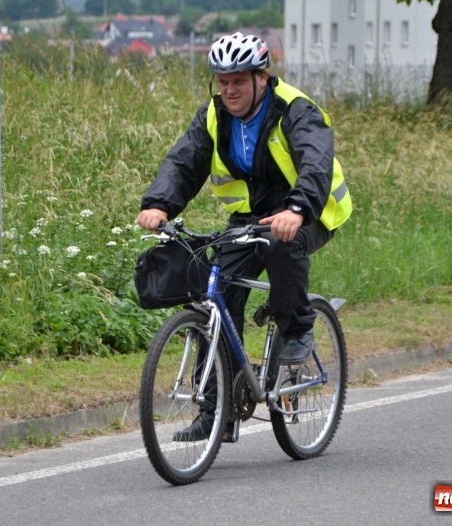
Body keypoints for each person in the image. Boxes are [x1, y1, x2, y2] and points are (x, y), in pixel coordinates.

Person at [136, 32, 352, 442]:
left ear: (262, 78)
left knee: (279, 242)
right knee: (218, 291)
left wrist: (297, 209)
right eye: (223, 81)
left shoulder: (295, 109)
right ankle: (216, 411)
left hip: (309, 210)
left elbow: (316, 161)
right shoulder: (215, 116)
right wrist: (160, 204)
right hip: (251, 217)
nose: (229, 90)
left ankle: (298, 325)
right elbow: (184, 161)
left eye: (238, 80)